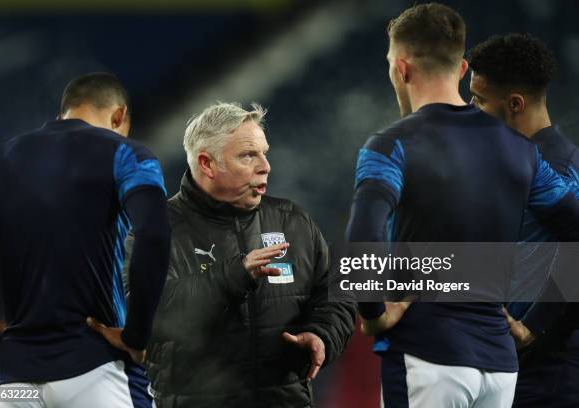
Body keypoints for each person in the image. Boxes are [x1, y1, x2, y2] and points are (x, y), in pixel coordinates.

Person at [345, 3, 579, 407]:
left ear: (401, 68)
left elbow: (361, 238)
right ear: (462, 68)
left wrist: (373, 313)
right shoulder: (521, 152)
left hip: (429, 358)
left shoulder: (390, 144)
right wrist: (529, 326)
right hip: (499, 366)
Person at [123, 102, 356, 407]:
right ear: (207, 164)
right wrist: (235, 274)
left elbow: (334, 295)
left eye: (264, 153)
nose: (265, 166)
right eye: (248, 155)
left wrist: (323, 335)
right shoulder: (156, 232)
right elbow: (148, 317)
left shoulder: (292, 221)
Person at [0, 72, 170, 407]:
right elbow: (154, 233)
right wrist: (137, 334)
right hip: (98, 369)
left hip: (16, 381)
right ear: (119, 116)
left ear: (63, 112)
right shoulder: (125, 153)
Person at [468, 33, 579, 407]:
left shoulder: (554, 170)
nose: (470, 107)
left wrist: (534, 328)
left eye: (480, 99)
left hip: (546, 376)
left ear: (515, 104)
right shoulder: (523, 163)